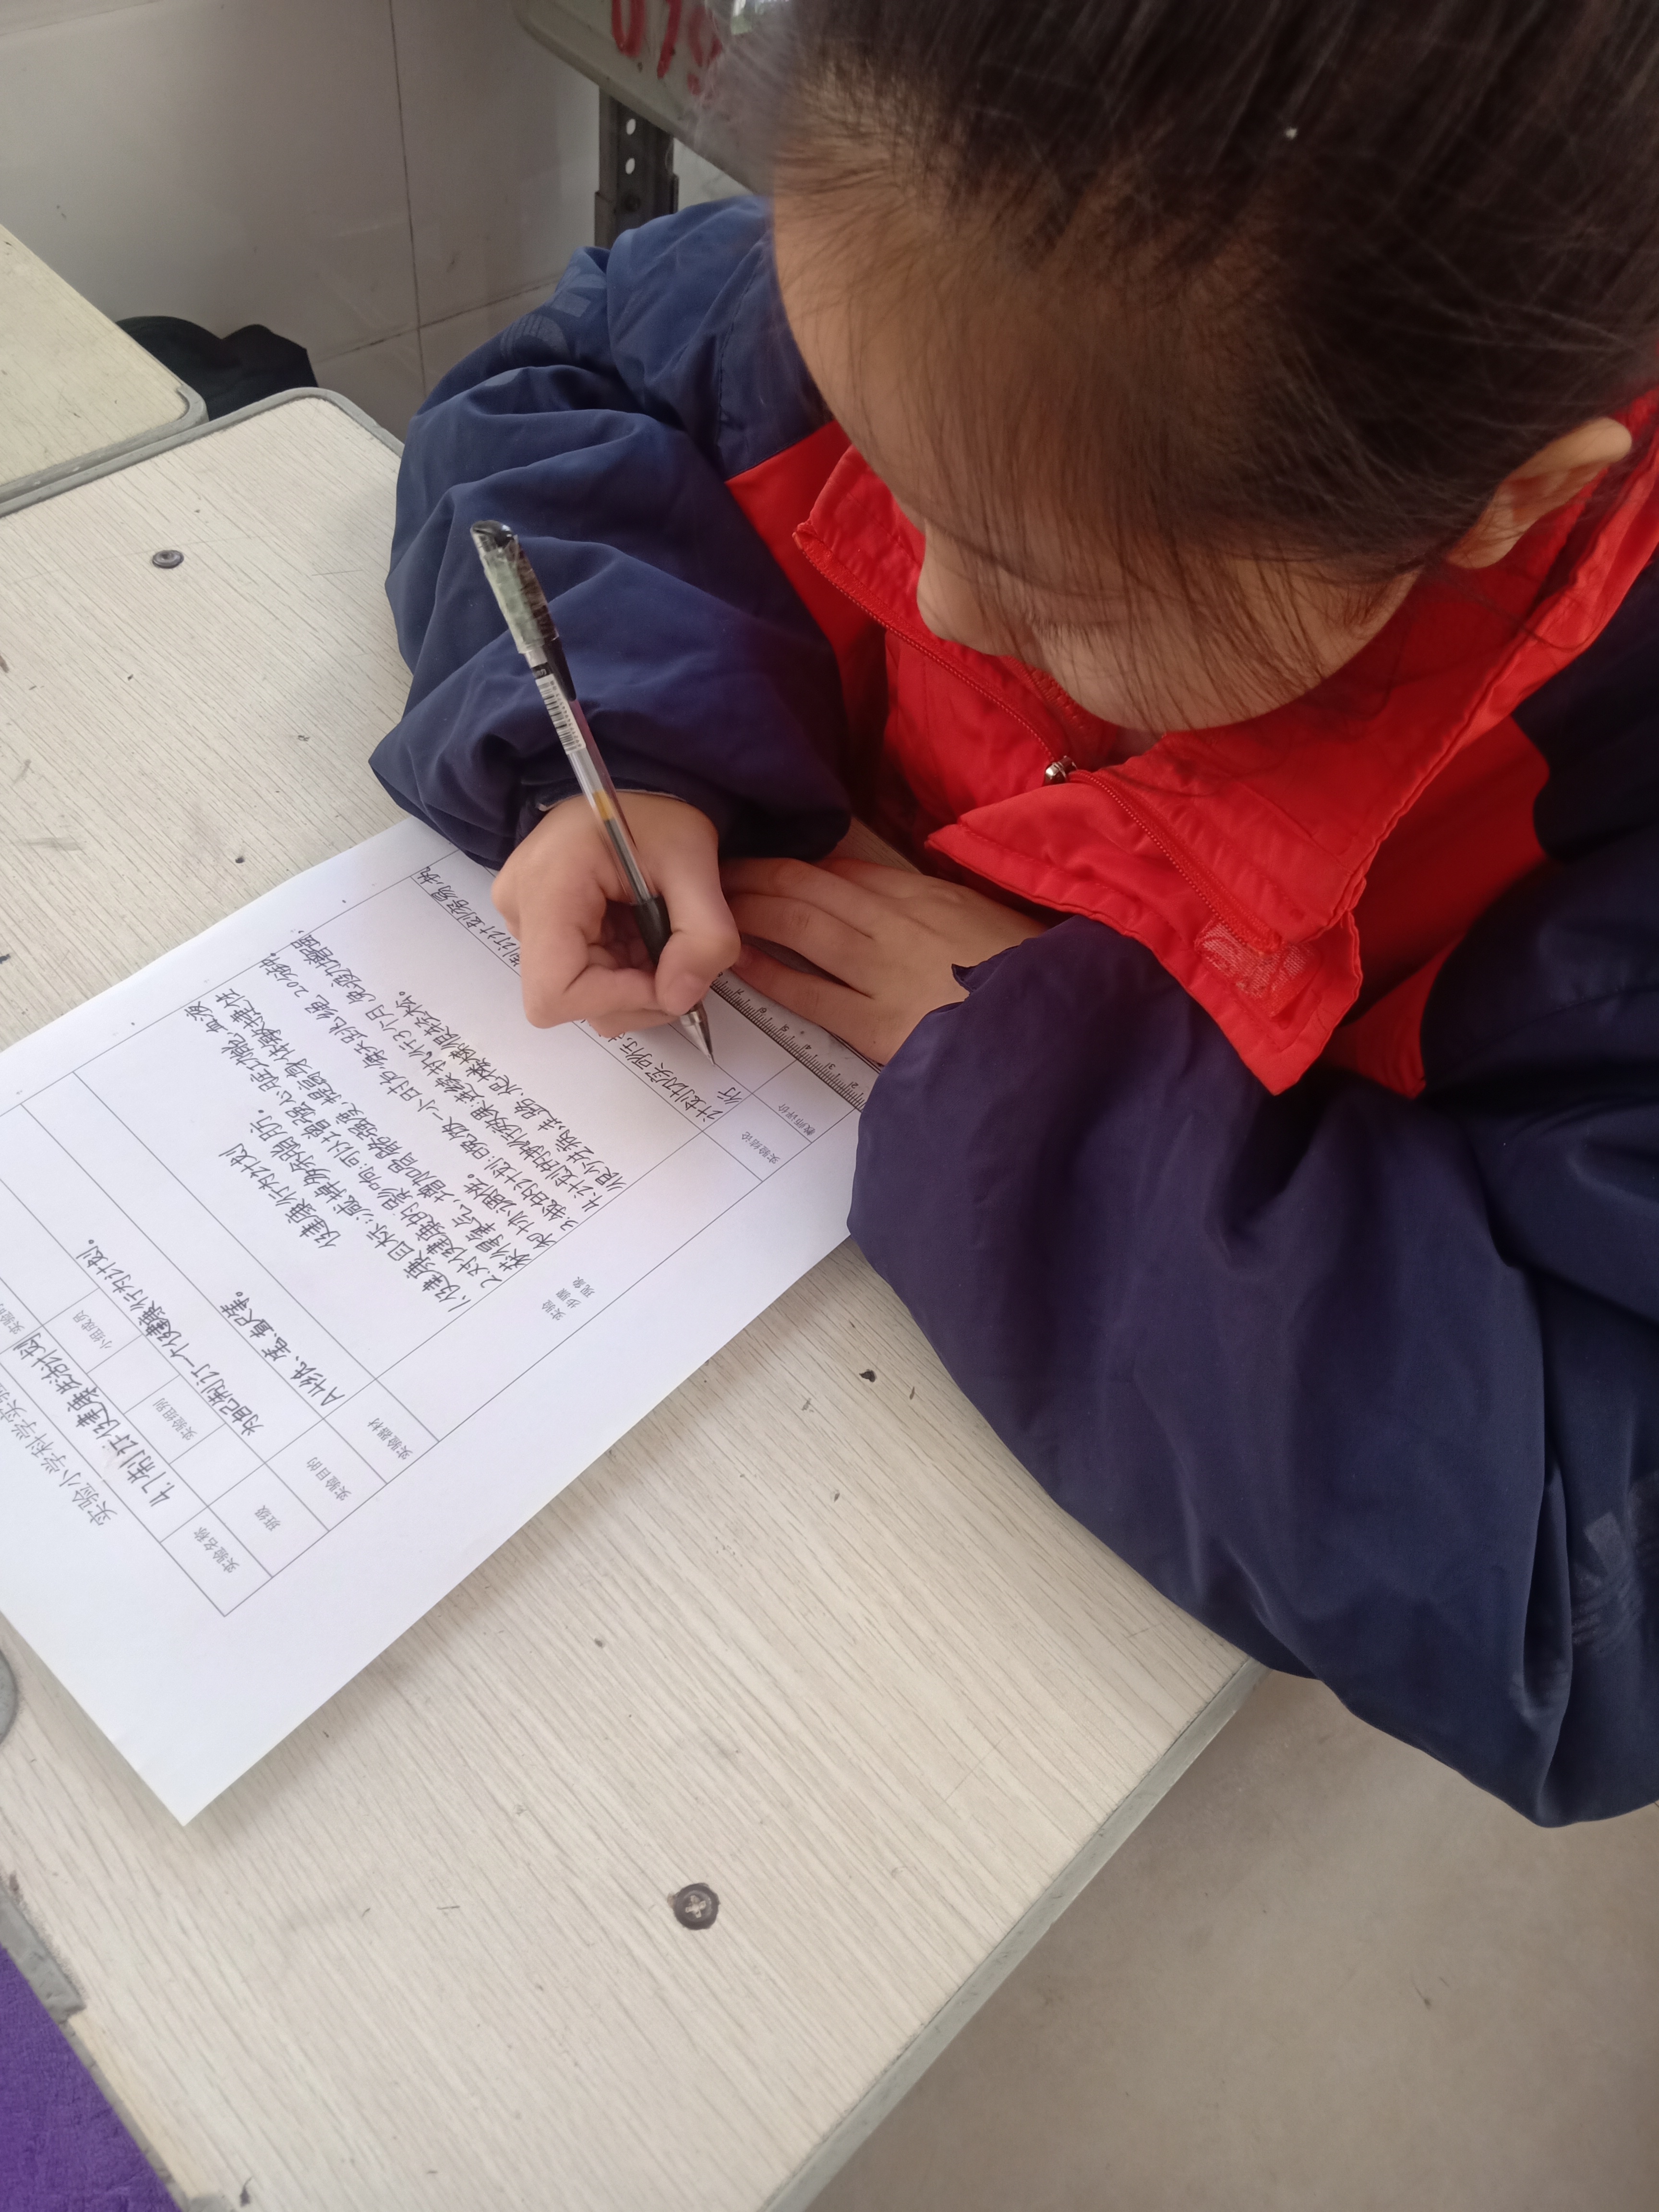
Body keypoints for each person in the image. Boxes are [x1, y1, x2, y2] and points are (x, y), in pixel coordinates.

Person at [374, 0, 1659, 1823]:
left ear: (1498, 503)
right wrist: (625, 741)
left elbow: (1574, 1576)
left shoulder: (1599, 820)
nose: (939, 606)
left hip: (1098, 1704)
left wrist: (1036, 1082)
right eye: (881, 465)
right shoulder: (938, 259)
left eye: (1061, 593)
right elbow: (561, 395)